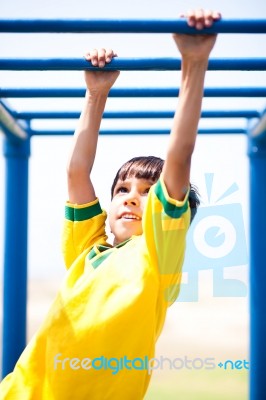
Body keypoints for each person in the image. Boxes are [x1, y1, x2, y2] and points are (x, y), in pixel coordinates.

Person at [0, 9, 221, 400]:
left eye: (148, 192)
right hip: (24, 391)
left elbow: (179, 160)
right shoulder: (87, 250)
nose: (132, 196)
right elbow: (76, 172)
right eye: (123, 189)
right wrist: (96, 93)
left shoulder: (157, 255)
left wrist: (194, 63)